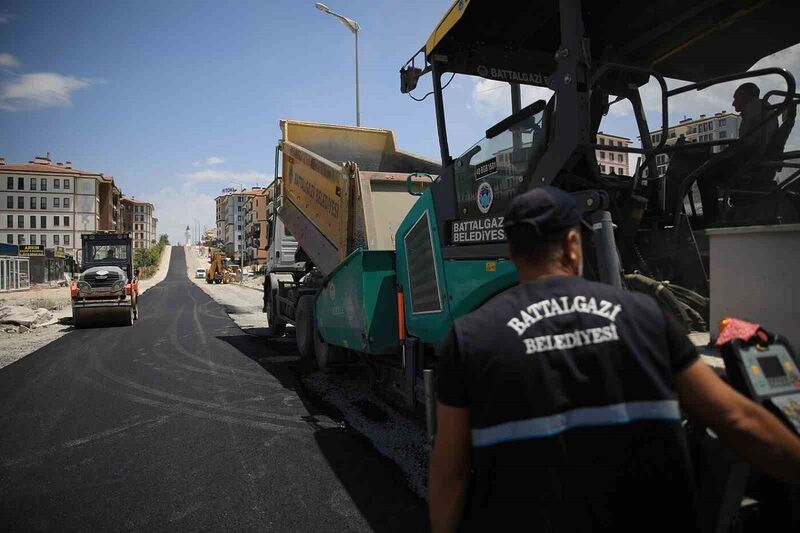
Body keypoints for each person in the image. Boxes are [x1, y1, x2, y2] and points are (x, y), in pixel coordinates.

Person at [428, 185, 800, 533]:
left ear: (511, 253)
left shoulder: (469, 339)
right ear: (573, 246)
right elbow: (737, 419)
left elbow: (451, 474)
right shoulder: (647, 317)